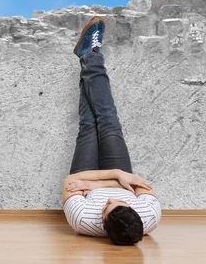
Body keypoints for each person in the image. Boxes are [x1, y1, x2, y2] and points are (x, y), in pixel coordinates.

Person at [62, 17, 161, 245]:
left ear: (103, 228)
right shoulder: (150, 216)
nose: (108, 200)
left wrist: (116, 180)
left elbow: (72, 180)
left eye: (105, 208)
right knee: (108, 121)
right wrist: (114, 176)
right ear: (135, 210)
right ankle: (90, 55)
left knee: (88, 126)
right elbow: (137, 184)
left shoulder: (83, 220)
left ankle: (90, 55)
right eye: (118, 202)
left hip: (92, 174)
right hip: (114, 174)